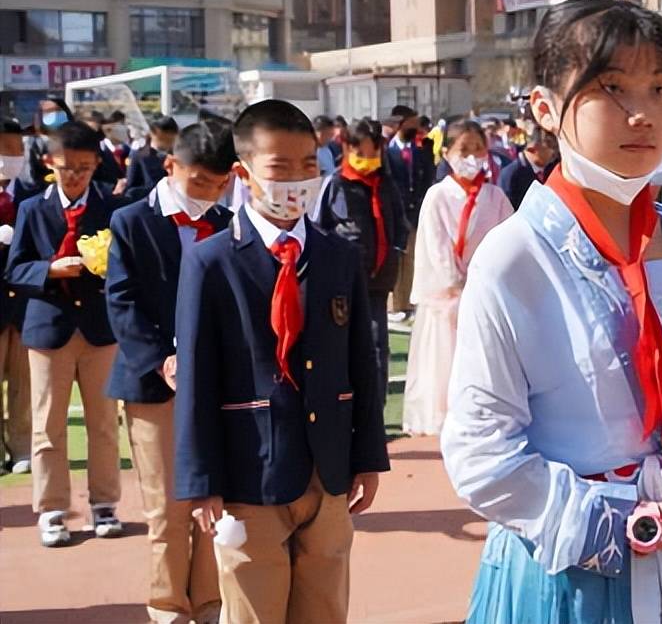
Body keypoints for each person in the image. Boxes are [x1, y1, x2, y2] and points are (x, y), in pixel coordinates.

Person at [443, 0, 662, 623]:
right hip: (573, 577)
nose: (642, 113)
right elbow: (481, 456)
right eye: (611, 88)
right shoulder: (514, 258)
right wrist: (642, 525)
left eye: (660, 88)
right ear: (544, 108)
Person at [174, 100, 389, 624]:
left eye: (308, 167)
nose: (297, 180)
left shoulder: (337, 255)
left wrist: (368, 455)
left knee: (325, 604)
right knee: (253, 606)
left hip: (329, 467)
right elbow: (197, 378)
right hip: (250, 471)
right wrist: (201, 480)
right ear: (243, 174)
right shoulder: (211, 260)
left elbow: (362, 360)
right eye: (280, 169)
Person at [105, 120, 235, 623]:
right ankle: (167, 607)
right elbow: (123, 302)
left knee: (212, 495)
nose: (210, 192)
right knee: (166, 507)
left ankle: (208, 600)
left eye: (220, 183)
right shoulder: (132, 221)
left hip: (214, 383)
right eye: (200, 180)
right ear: (171, 166)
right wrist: (163, 359)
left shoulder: (226, 221)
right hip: (154, 383)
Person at [6, 120, 125, 547]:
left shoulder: (115, 210)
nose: (74, 175)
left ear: (96, 165)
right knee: (48, 426)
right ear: (49, 164)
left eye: (84, 167)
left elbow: (129, 270)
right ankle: (52, 508)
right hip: (47, 327)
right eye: (66, 167)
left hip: (99, 328)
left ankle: (105, 503)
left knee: (104, 422)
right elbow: (14, 268)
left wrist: (105, 269)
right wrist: (49, 270)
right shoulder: (31, 208)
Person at [402, 120, 512, 436]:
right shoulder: (438, 195)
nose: (472, 156)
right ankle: (447, 415)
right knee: (446, 361)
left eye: (478, 149)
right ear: (447, 153)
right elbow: (434, 244)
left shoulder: (495, 196)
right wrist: (455, 282)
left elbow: (506, 240)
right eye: (464, 150)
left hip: (486, 291)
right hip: (448, 297)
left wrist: (486, 280)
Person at [315, 117, 410, 408]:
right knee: (342, 345)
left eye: (373, 153)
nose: (367, 160)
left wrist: (394, 250)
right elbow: (321, 227)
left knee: (377, 344)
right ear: (348, 148)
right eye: (361, 154)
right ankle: (344, 408)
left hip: (379, 280)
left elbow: (399, 224)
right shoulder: (336, 185)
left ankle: (374, 411)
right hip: (343, 280)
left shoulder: (386, 184)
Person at [0, 120, 35, 476]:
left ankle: (22, 446)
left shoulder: (33, 195)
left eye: (12, 150)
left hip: (25, 306)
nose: (6, 158)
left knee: (24, 384)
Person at [385, 106, 433, 321]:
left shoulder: (421, 149)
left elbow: (427, 178)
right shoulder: (386, 151)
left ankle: (407, 302)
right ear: (401, 123)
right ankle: (394, 305)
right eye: (412, 122)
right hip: (395, 213)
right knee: (395, 256)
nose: (416, 126)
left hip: (415, 212)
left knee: (412, 256)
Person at [496, 125, 559, 210]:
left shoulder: (555, 169)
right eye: (552, 147)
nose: (555, 152)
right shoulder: (511, 175)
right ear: (532, 149)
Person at [124, 117, 180, 202]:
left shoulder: (178, 156)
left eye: (171, 138)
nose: (168, 141)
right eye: (164, 137)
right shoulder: (139, 155)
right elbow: (131, 186)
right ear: (153, 134)